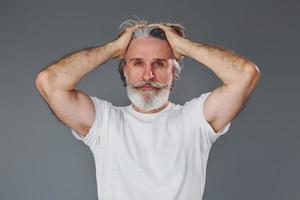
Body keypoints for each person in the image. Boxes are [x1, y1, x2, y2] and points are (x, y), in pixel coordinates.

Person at [35, 18, 260, 200]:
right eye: (137, 63)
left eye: (160, 64)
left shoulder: (195, 120)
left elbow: (245, 75)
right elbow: (49, 82)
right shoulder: (104, 123)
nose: (148, 76)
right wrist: (113, 48)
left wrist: (184, 47)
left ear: (175, 72)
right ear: (125, 70)